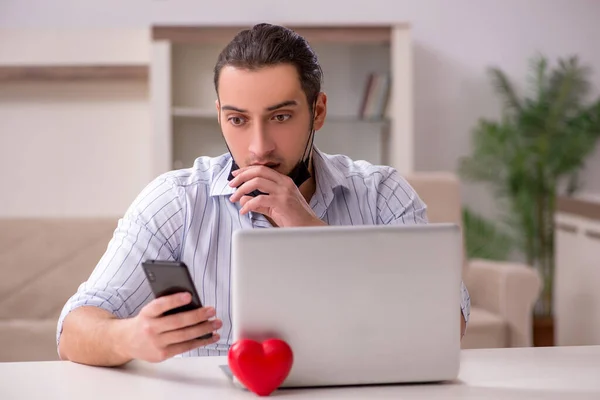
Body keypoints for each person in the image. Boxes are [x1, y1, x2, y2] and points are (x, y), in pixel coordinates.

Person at [57, 23, 471, 367]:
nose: (258, 147)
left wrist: (311, 231)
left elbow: (445, 324)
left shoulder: (382, 194)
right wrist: (129, 338)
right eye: (237, 119)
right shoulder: (175, 201)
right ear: (219, 113)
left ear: (318, 112)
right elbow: (73, 331)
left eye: (281, 117)